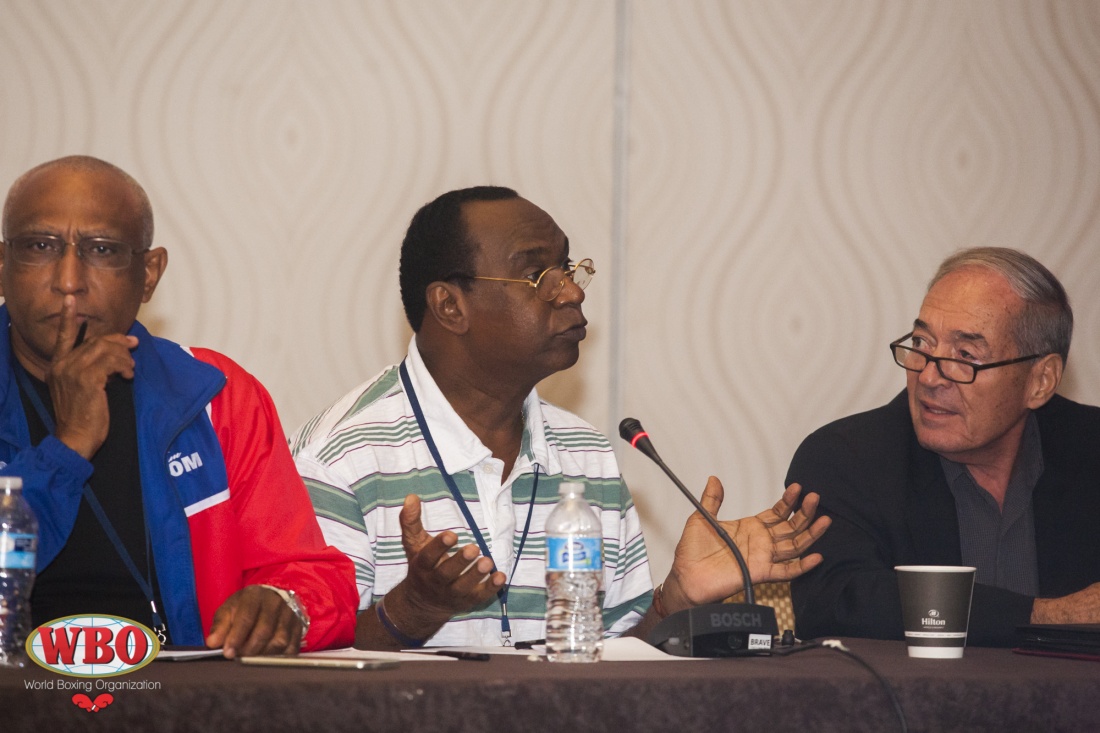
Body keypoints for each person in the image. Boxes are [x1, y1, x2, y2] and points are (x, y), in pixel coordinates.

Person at [292, 186, 830, 649]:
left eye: (568, 269)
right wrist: (415, 607)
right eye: (536, 276)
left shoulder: (587, 455)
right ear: (451, 306)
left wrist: (675, 600)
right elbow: (306, 666)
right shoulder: (340, 457)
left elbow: (613, 661)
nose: (571, 292)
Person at [0, 156, 357, 656]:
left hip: (177, 693)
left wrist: (284, 604)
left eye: (102, 250)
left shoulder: (216, 397)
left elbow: (313, 576)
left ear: (149, 274)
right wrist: (69, 447)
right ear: (2, 266)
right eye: (41, 247)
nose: (69, 280)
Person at [787, 247, 1100, 646]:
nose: (929, 377)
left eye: (965, 355)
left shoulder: (1090, 449)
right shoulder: (843, 458)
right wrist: (1046, 616)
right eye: (922, 342)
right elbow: (840, 604)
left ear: (1041, 381)